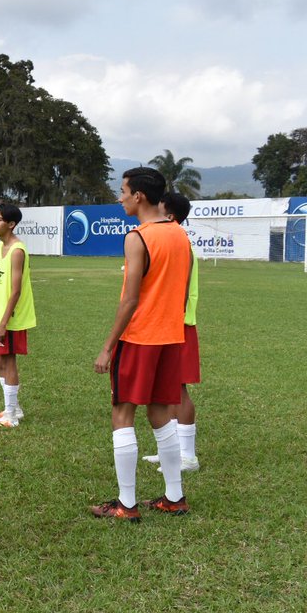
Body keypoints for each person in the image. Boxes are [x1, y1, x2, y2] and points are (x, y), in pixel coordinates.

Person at [91, 167, 193, 522]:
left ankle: (126, 504)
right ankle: (174, 496)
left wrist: (108, 346)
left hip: (139, 338)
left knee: (122, 413)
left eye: (123, 192)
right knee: (162, 414)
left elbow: (130, 299)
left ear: (140, 197)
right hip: (170, 337)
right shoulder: (180, 235)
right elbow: (180, 294)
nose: (120, 198)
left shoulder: (138, 237)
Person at [143, 191, 201, 472]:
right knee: (166, 390)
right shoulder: (174, 241)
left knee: (179, 389)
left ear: (171, 217)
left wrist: (172, 318)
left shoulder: (182, 244)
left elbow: (181, 286)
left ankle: (188, 456)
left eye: (160, 210)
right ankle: (172, 450)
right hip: (167, 325)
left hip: (179, 326)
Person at [0, 203, 36, 427]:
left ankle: (11, 415)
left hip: (10, 318)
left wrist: (4, 323)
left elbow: (16, 290)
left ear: (11, 224)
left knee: (9, 360)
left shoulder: (17, 251)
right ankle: (13, 407)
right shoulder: (0, 247)